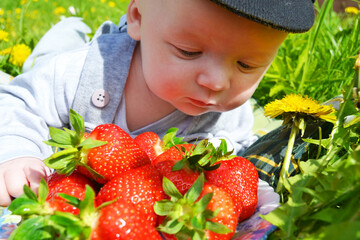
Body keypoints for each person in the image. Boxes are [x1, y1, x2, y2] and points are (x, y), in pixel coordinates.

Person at [0, 0, 315, 206]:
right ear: (137, 16)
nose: (217, 83)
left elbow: (239, 150)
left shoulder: (228, 114)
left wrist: (245, 187)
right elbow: (18, 103)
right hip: (74, 66)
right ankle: (68, 30)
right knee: (40, 64)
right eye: (189, 51)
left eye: (246, 65)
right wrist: (16, 152)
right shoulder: (82, 72)